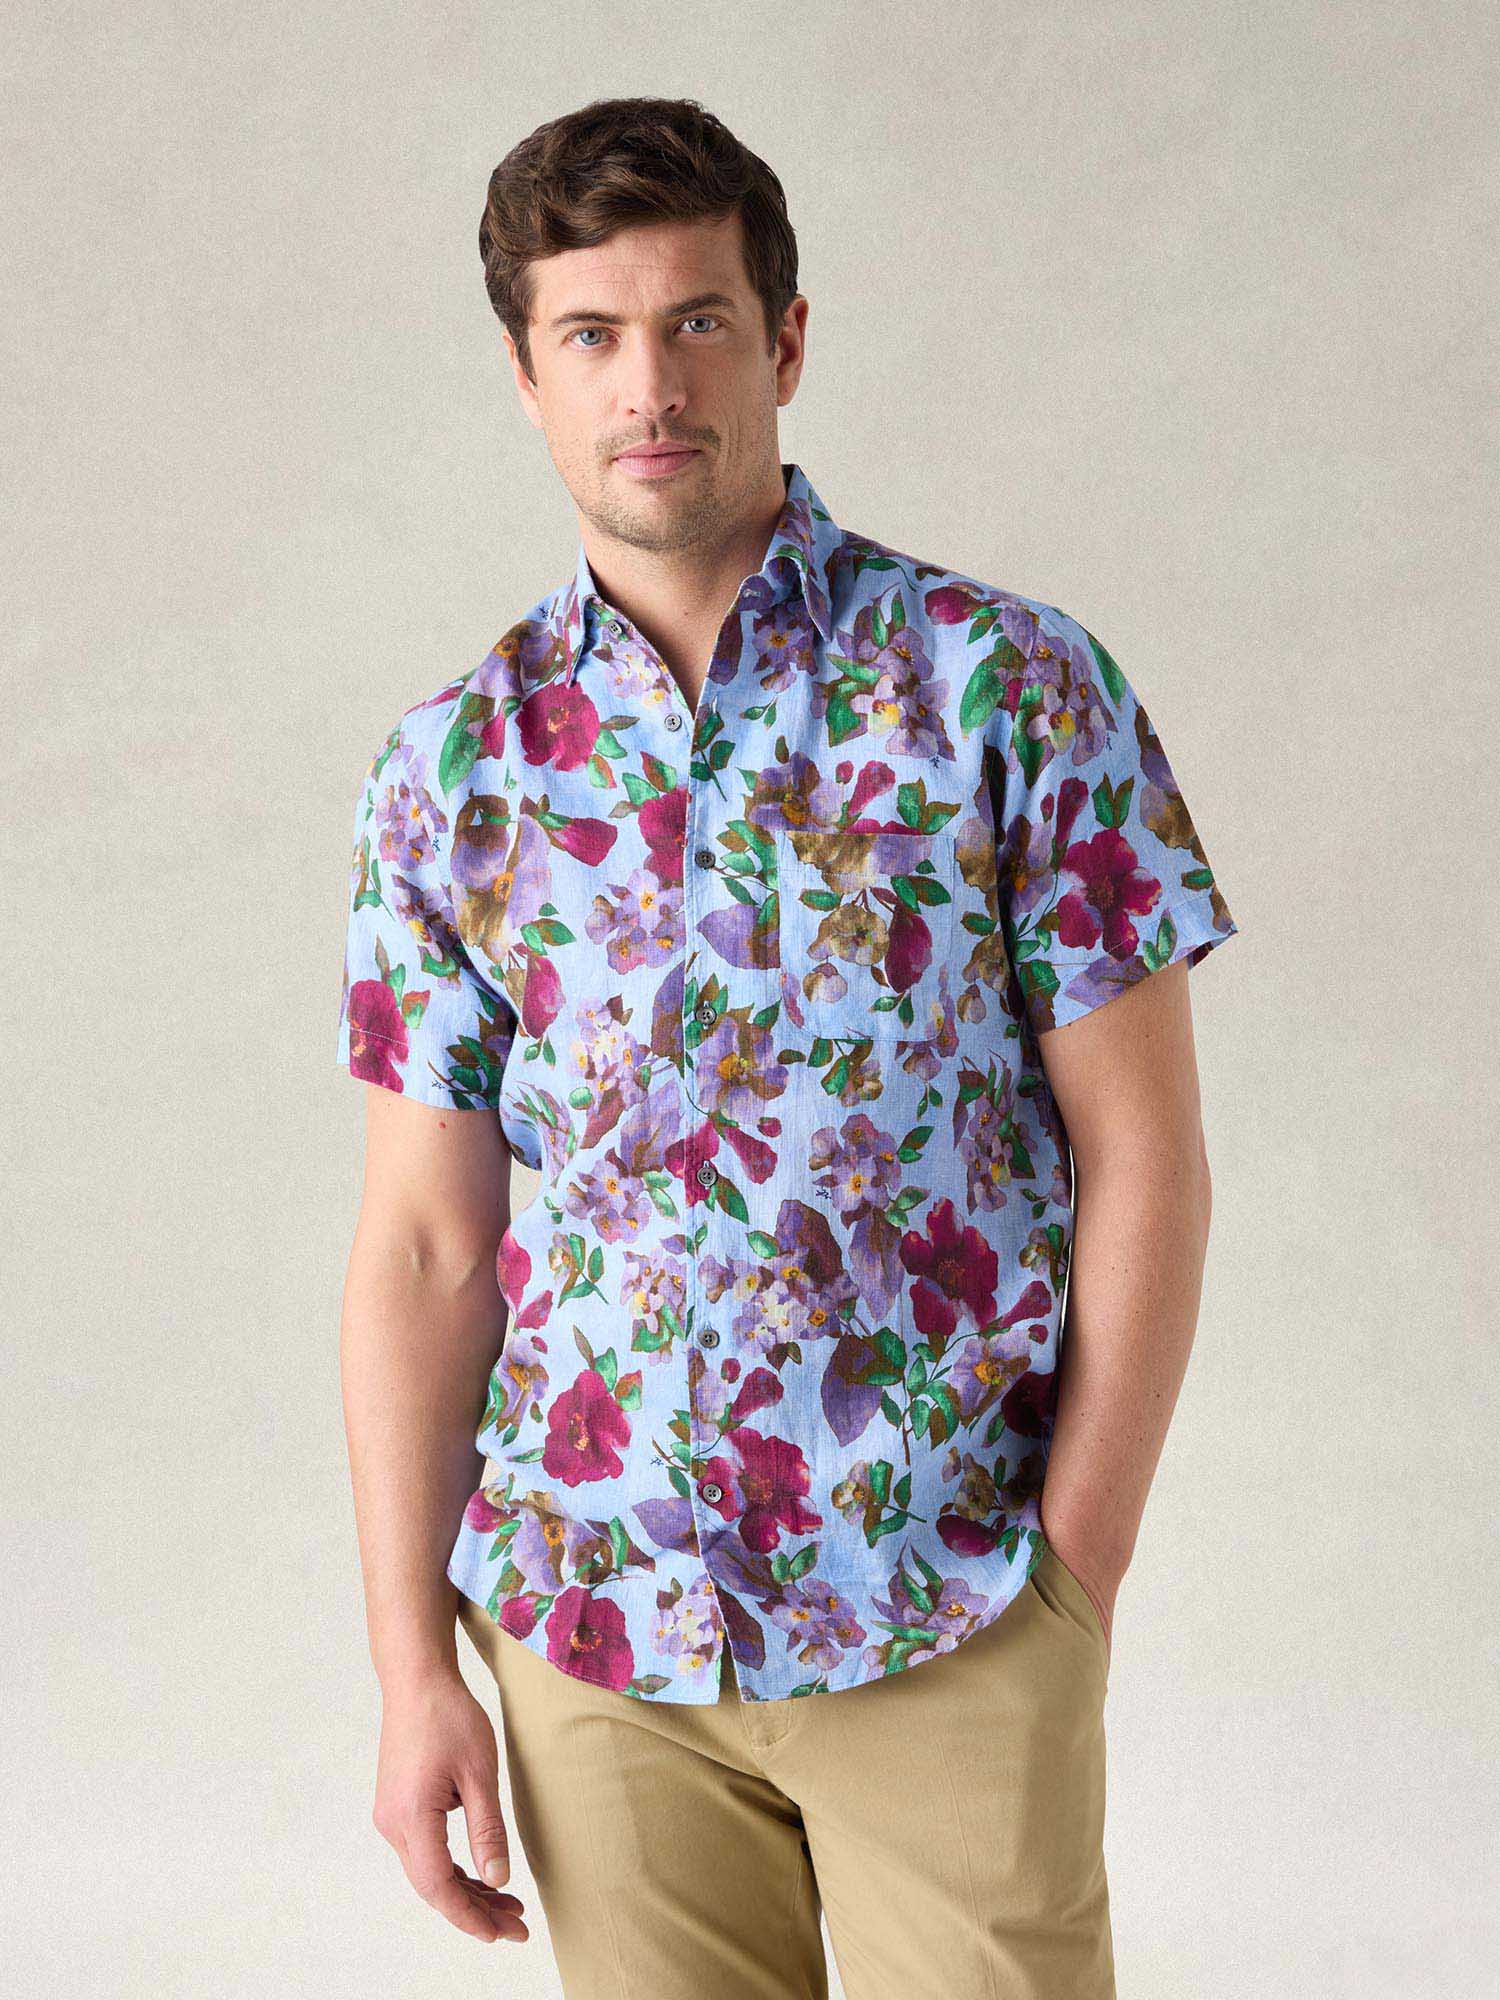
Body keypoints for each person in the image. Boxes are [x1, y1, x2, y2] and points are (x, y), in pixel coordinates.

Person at [335, 92, 1239, 2000]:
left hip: (950, 1607)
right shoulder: (452, 774)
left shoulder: (1009, 687)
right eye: (592, 335)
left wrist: (1072, 1577)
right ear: (525, 375)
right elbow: (425, 1245)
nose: (649, 384)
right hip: (595, 1642)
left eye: (698, 321)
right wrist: (416, 1664)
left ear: (788, 341)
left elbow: (1145, 1155)